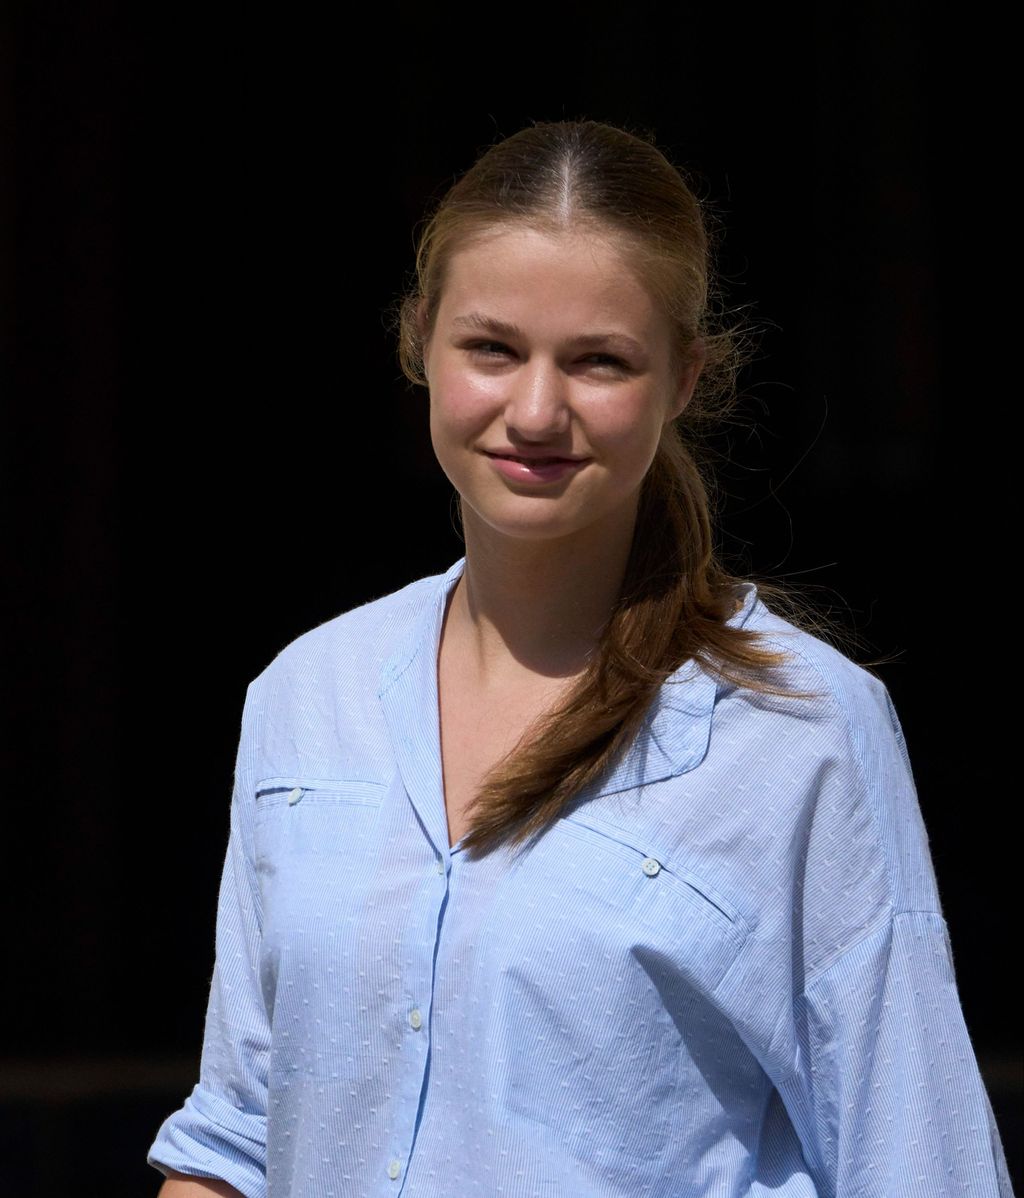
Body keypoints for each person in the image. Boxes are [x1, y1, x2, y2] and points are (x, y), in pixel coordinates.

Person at [146, 119, 1013, 1197]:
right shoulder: (305, 694)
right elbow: (235, 1136)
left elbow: (913, 1155)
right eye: (493, 348)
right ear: (418, 341)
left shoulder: (799, 726)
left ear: (686, 377)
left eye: (599, 360)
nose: (537, 410)